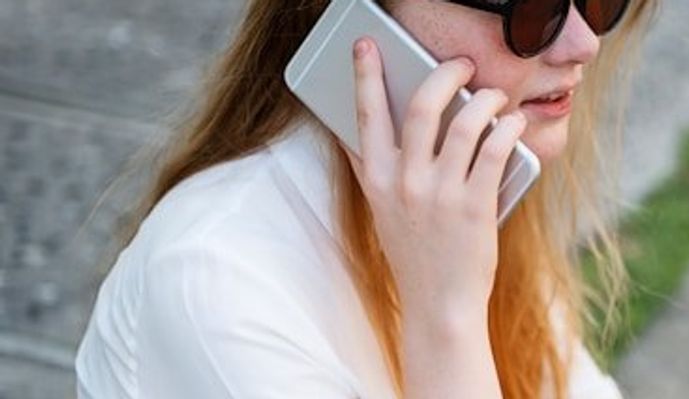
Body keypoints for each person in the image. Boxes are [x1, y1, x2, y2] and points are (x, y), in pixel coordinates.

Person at [74, 0, 655, 397]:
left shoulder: (453, 211)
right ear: (365, 19)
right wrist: (447, 314)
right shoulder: (216, 282)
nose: (583, 45)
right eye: (535, 12)